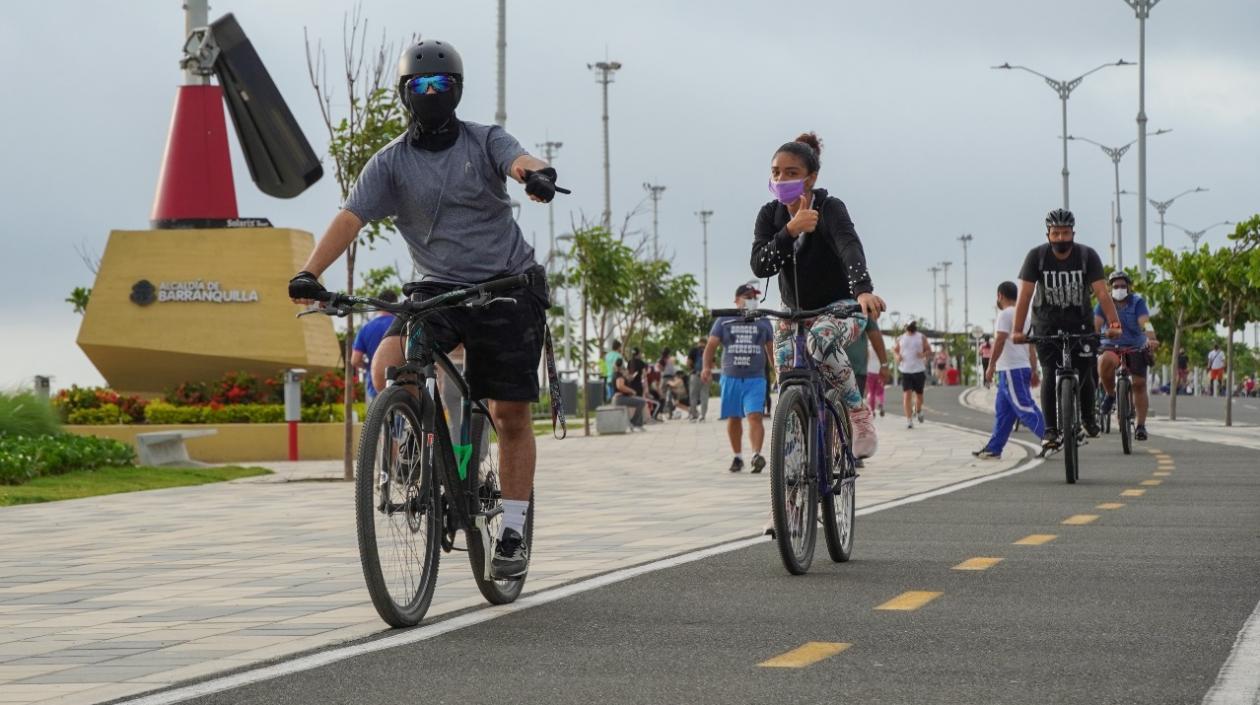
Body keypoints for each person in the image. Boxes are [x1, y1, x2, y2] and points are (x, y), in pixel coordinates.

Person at [287, 40, 563, 580]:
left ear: (457, 91)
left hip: (506, 285)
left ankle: (510, 529)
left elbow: (519, 159)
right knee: (392, 363)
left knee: (509, 414)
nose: (430, 94)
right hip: (436, 288)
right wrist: (310, 273)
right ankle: (411, 445)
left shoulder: (483, 140)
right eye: (420, 86)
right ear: (404, 94)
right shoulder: (389, 162)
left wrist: (536, 175)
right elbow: (350, 219)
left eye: (441, 86)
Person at [749, 132, 885, 459]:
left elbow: (849, 246)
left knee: (821, 340)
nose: (781, 179)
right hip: (793, 313)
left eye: (791, 173)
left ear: (811, 177)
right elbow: (759, 264)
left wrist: (863, 290)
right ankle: (793, 483)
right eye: (776, 172)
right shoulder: (771, 215)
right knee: (785, 376)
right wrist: (790, 230)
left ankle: (857, 414)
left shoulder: (829, 207)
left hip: (840, 309)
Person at [1011, 208, 1121, 452]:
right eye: (1056, 233)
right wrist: (1018, 330)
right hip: (1046, 324)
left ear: (1073, 232)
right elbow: (1026, 294)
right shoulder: (1036, 257)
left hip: (1080, 322)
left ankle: (1088, 418)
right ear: (1048, 234)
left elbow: (1102, 293)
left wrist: (1114, 324)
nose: (1061, 238)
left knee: (1086, 369)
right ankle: (1050, 430)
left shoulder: (1086, 256)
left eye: (1065, 232)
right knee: (1049, 373)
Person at [702, 283, 775, 473]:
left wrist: (778, 372)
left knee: (755, 416)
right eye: (747, 296)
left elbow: (771, 350)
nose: (752, 300)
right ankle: (737, 456)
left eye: (754, 297)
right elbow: (711, 346)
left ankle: (756, 455)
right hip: (731, 377)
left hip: (756, 378)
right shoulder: (724, 319)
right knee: (734, 418)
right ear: (736, 300)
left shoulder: (763, 320)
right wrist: (706, 368)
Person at [973, 281, 1044, 459]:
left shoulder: (1005, 314)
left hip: (1012, 369)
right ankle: (994, 448)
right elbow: (1031, 347)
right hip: (1019, 368)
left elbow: (1000, 340)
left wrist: (990, 366)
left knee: (1024, 407)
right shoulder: (1024, 316)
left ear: (1000, 296)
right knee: (1004, 412)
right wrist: (1034, 370)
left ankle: (1051, 436)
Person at [1096, 271, 1159, 441]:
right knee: (1105, 361)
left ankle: (1140, 425)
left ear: (1129, 287)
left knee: (1139, 384)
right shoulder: (1103, 303)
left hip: (1135, 346)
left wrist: (1151, 338)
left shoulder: (1137, 302)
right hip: (1111, 346)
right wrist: (1092, 335)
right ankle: (1110, 394)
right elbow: (1096, 324)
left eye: (1123, 286)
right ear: (1110, 288)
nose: (1120, 289)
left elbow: (1145, 321)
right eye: (1116, 286)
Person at [350, 289, 399, 404]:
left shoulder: (365, 328)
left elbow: (355, 360)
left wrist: (369, 365)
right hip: (401, 385)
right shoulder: (402, 325)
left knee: (376, 419)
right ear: (396, 304)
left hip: (375, 384)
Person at [894, 321, 930, 428]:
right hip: (905, 371)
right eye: (909, 326)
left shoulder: (921, 337)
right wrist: (897, 357)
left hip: (919, 370)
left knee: (920, 396)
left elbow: (928, 350)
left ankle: (918, 410)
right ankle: (909, 420)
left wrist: (923, 354)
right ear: (905, 327)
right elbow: (895, 351)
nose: (911, 328)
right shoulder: (901, 338)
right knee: (907, 395)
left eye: (913, 326)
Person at [611, 358, 647, 431]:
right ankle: (635, 423)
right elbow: (620, 386)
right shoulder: (618, 375)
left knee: (641, 400)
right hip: (620, 399)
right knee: (641, 402)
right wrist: (632, 391)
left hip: (621, 397)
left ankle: (637, 424)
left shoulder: (618, 374)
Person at [686, 337, 709, 421]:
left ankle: (694, 415)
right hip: (706, 375)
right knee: (704, 396)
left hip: (695, 375)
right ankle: (703, 416)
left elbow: (688, 363)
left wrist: (692, 370)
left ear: (699, 342)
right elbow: (712, 364)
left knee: (693, 396)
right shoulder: (709, 349)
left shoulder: (693, 350)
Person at [865, 341, 887, 417]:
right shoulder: (881, 348)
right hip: (879, 372)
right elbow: (885, 360)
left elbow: (866, 360)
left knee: (871, 392)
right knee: (880, 391)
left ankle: (872, 410)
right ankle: (881, 403)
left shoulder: (868, 348)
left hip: (870, 372)